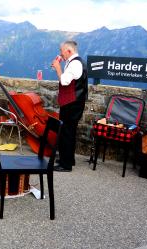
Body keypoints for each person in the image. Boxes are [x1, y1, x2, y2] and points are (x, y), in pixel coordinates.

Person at [51, 40, 88, 172]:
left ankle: (65, 164)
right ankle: (68, 159)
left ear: (69, 51)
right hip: (73, 102)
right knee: (69, 131)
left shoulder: (75, 63)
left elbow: (65, 81)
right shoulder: (75, 62)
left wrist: (57, 68)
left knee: (66, 132)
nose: (61, 54)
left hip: (72, 104)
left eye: (62, 51)